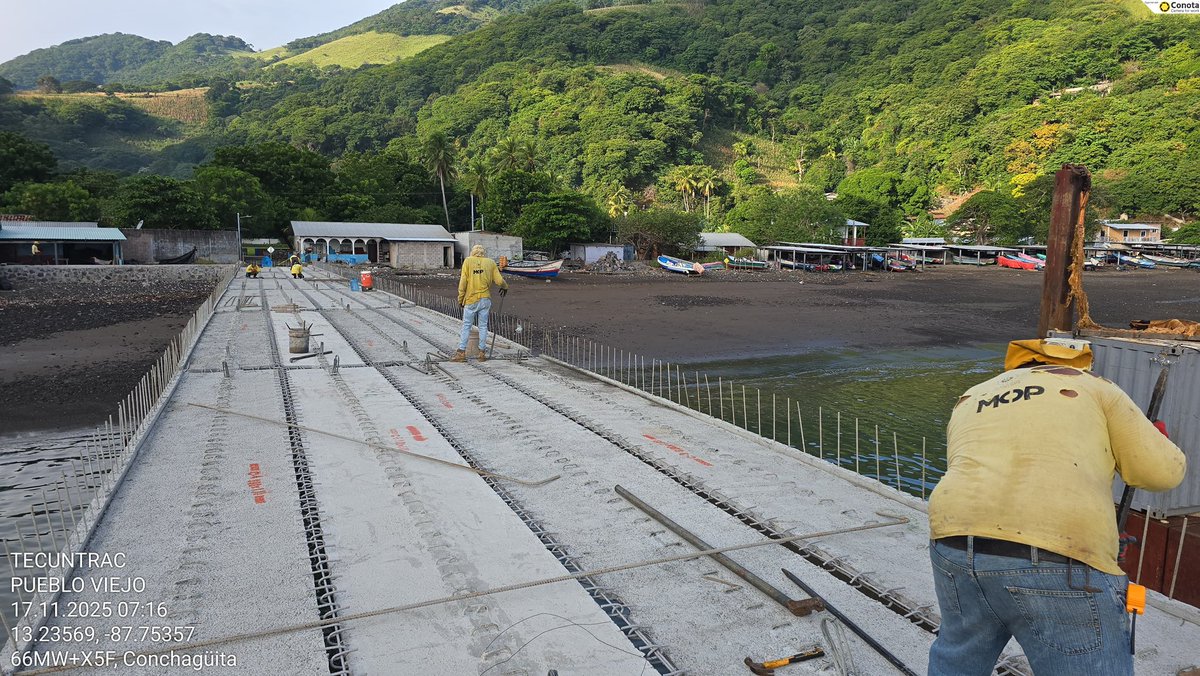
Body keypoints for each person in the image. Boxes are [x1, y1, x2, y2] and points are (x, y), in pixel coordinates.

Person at [927, 339, 1186, 676]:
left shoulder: (973, 395)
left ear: (1017, 365)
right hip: (1057, 557)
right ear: (1082, 362)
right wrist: (1155, 438)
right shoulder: (1093, 386)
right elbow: (1161, 472)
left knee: (958, 657)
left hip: (954, 541)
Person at [453, 244, 508, 362]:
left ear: (473, 252)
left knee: (466, 326)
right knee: (483, 326)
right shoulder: (491, 262)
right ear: (483, 252)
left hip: (471, 299)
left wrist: (460, 298)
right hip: (485, 299)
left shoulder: (468, 262)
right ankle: (482, 353)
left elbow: (463, 282)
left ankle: (461, 353)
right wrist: (505, 287)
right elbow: (499, 281)